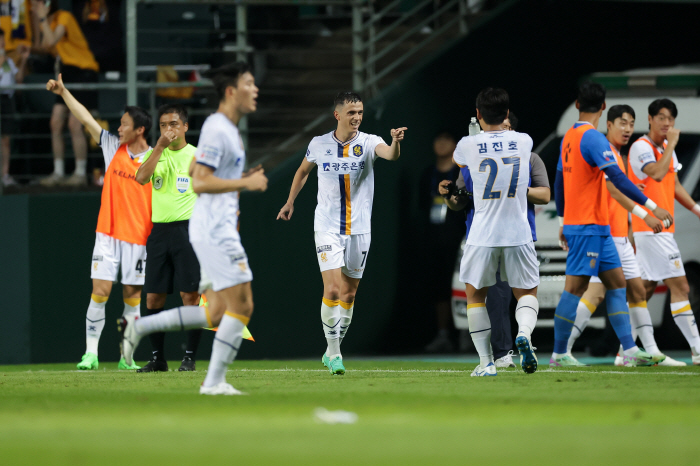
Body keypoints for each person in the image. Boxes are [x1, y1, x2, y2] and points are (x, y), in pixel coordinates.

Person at [120, 62, 268, 395]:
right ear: (231, 91)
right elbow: (200, 182)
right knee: (241, 306)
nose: (255, 88)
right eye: (249, 83)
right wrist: (246, 182)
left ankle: (142, 326)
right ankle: (214, 381)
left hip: (207, 228)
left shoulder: (225, 130)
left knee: (215, 311)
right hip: (212, 230)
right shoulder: (217, 128)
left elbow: (199, 175)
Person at [276, 91, 406, 376]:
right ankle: (335, 353)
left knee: (348, 294)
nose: (357, 117)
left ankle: (331, 347)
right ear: (337, 115)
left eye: (359, 112)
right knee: (333, 289)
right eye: (351, 113)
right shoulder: (319, 144)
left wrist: (395, 141)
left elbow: (390, 155)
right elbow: (302, 171)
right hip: (327, 226)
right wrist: (290, 202)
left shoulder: (370, 141)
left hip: (359, 229)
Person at [551, 82, 673, 367]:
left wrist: (560, 220)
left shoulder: (568, 136)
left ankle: (629, 350)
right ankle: (558, 354)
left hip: (599, 228)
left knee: (618, 286)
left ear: (578, 104)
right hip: (587, 226)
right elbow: (617, 180)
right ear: (603, 107)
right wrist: (653, 206)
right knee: (575, 289)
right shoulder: (594, 139)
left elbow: (559, 181)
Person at [46, 73, 152, 370]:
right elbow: (85, 119)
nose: (118, 128)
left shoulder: (158, 159)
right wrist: (64, 93)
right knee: (100, 292)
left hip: (138, 238)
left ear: (140, 129)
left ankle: (126, 358)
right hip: (107, 234)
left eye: (124, 124)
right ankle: (90, 354)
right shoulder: (111, 146)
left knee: (132, 300)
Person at [441, 111, 551, 369]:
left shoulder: (527, 156)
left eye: (507, 127)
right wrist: (449, 195)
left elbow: (545, 195)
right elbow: (459, 200)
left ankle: (489, 361)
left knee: (479, 296)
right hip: (503, 236)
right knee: (503, 298)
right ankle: (507, 350)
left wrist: (512, 186)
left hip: (492, 236)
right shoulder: (474, 156)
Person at [627, 98, 700, 365]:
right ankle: (698, 349)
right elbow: (657, 174)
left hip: (659, 231)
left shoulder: (667, 148)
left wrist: (696, 210)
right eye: (661, 118)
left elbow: (674, 184)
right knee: (680, 285)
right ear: (650, 118)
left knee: (643, 291)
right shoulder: (641, 148)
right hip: (651, 228)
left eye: (670, 119)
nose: (666, 124)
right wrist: (672, 147)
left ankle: (625, 350)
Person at [134, 104, 203, 372]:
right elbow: (140, 178)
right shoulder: (155, 154)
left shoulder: (198, 156)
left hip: (188, 230)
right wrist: (159, 148)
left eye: (173, 124)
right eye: (163, 125)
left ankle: (189, 357)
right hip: (159, 232)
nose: (168, 129)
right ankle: (157, 359)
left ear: (185, 126)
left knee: (190, 295)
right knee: (153, 298)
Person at [32, 0, 99, 187]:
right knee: (55, 122)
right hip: (66, 73)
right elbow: (46, 45)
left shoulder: (64, 17)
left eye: (38, 3)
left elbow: (53, 39)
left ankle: (79, 174)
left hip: (83, 72)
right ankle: (59, 173)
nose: (34, 7)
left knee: (74, 124)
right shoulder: (47, 22)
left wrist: (43, 18)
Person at [420, 132, 464, 353]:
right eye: (437, 139)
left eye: (447, 139)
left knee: (463, 284)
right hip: (434, 240)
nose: (441, 143)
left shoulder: (462, 173)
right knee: (438, 288)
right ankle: (443, 335)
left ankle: (467, 334)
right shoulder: (428, 173)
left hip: (458, 239)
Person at [0, 29, 29, 187]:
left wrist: (23, 60)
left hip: (7, 101)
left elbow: (18, 81)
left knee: (6, 140)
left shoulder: (9, 61)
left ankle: (5, 174)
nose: (2, 44)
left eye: (3, 41)